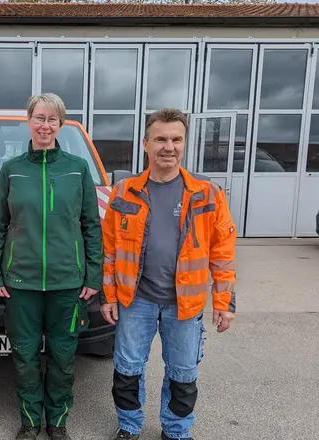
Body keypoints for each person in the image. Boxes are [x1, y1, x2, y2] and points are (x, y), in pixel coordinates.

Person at [100, 108, 237, 440]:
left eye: (176, 139)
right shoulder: (123, 192)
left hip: (185, 304)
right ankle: (129, 426)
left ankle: (176, 431)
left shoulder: (208, 194)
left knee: (183, 373)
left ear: (184, 144)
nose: (169, 147)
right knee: (127, 369)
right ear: (146, 144)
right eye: (160, 139)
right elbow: (110, 250)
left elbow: (222, 252)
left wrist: (223, 302)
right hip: (136, 300)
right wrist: (109, 295)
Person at [0, 93, 104, 440]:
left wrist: (93, 275)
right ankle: (29, 422)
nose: (45, 125)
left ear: (60, 125)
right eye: (39, 117)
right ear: (29, 121)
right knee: (24, 358)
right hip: (20, 284)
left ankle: (58, 422)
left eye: (52, 119)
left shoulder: (77, 168)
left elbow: (91, 226)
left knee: (63, 357)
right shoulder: (12, 170)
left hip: (67, 283)